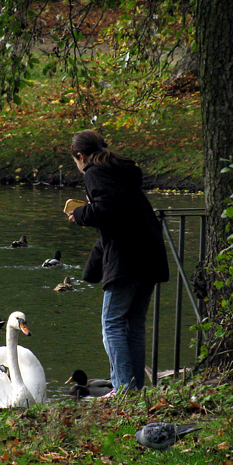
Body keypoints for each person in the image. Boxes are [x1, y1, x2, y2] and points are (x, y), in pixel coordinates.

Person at [67, 130, 169, 394]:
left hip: (128, 257)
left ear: (80, 156)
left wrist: (80, 214)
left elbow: (106, 209)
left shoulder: (94, 172)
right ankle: (135, 389)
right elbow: (119, 212)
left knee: (111, 324)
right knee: (134, 324)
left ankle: (123, 389)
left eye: (76, 161)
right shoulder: (121, 172)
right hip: (150, 253)